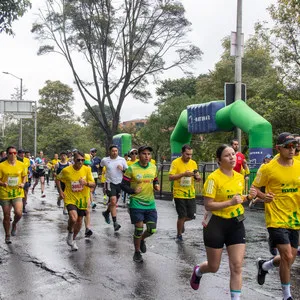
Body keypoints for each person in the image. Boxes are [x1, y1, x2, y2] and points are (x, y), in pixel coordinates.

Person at [190, 144, 257, 300]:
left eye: (233, 154)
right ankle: (199, 270)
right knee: (214, 267)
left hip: (236, 223)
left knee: (237, 266)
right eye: (227, 155)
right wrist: (230, 203)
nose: (232, 157)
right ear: (219, 160)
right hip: (215, 224)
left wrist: (249, 197)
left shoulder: (240, 177)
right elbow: (208, 205)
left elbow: (238, 199)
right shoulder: (213, 178)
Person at [252, 132, 300, 300]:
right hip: (276, 218)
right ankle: (287, 296)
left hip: (294, 218)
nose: (292, 149)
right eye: (288, 146)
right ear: (278, 148)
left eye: (294, 145)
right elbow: (254, 189)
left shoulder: (299, 165)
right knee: (287, 256)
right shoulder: (268, 168)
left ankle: (264, 265)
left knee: (290, 259)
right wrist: (263, 196)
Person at [120, 146, 160, 262]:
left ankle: (142, 239)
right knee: (138, 229)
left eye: (148, 154)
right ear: (139, 155)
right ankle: (137, 252)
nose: (147, 156)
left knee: (151, 229)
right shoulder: (132, 169)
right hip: (136, 203)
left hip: (150, 203)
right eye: (144, 154)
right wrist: (133, 191)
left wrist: (156, 185)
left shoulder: (153, 167)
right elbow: (123, 185)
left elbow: (155, 179)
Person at [56, 151, 95, 251]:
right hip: (70, 198)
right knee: (73, 218)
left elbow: (93, 184)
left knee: (79, 222)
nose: (81, 162)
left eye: (83, 160)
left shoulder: (87, 169)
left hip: (82, 199)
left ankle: (72, 239)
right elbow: (57, 179)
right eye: (78, 160)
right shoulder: (66, 170)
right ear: (73, 160)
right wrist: (60, 191)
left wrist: (85, 183)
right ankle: (70, 232)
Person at [169, 144, 201, 242]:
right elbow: (170, 177)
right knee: (182, 215)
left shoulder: (193, 163)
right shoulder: (175, 162)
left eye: (191, 154)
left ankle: (181, 223)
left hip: (190, 193)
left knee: (192, 216)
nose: (189, 156)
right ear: (182, 153)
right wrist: (183, 174)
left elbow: (196, 175)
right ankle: (179, 235)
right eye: (187, 154)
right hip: (179, 193)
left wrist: (198, 177)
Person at [0, 146, 27, 244]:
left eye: (15, 153)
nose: (13, 155)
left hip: (17, 192)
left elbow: (24, 176)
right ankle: (7, 235)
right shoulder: (1, 165)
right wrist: (2, 183)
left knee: (19, 213)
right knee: (6, 216)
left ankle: (14, 223)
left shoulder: (21, 164)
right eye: (10, 153)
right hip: (5, 193)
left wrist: (23, 183)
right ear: (7, 154)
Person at [100, 145, 127, 231]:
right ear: (110, 152)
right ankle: (115, 223)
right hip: (109, 183)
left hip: (119, 183)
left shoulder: (122, 160)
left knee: (113, 203)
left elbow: (127, 172)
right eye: (113, 151)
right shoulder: (105, 160)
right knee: (113, 201)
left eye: (116, 151)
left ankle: (106, 212)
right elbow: (100, 166)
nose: (115, 152)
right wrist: (100, 174)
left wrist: (122, 169)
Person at [17, 149, 31, 213]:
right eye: (21, 153)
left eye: (23, 153)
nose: (22, 155)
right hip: (17, 180)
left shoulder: (27, 160)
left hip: (25, 179)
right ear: (18, 154)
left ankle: (23, 207)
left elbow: (28, 168)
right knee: (16, 195)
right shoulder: (16, 160)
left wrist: (28, 171)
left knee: (25, 194)